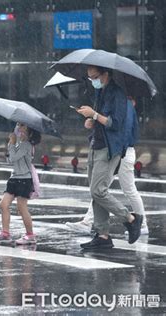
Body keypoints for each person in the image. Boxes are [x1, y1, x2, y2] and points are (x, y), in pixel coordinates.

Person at [76, 65, 143, 250]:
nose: (93, 81)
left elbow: (116, 123)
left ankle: (130, 218)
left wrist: (95, 115)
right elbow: (100, 121)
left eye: (95, 77)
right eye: (90, 78)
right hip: (95, 145)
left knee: (99, 190)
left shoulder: (118, 94)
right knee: (94, 192)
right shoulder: (100, 92)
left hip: (109, 148)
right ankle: (103, 235)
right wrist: (91, 121)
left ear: (106, 74)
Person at [66, 97, 148, 235]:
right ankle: (88, 222)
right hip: (113, 151)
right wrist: (93, 122)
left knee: (124, 190)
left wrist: (96, 117)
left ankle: (141, 223)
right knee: (100, 190)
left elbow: (121, 130)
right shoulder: (115, 104)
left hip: (121, 151)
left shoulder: (124, 106)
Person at [0, 122, 41, 245]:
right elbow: (10, 158)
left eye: (22, 125)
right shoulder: (20, 143)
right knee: (3, 204)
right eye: (18, 124)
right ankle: (5, 233)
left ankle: (30, 235)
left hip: (24, 180)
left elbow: (13, 158)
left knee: (22, 208)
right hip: (14, 178)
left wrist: (11, 143)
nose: (18, 127)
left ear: (29, 129)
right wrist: (12, 143)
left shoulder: (27, 145)